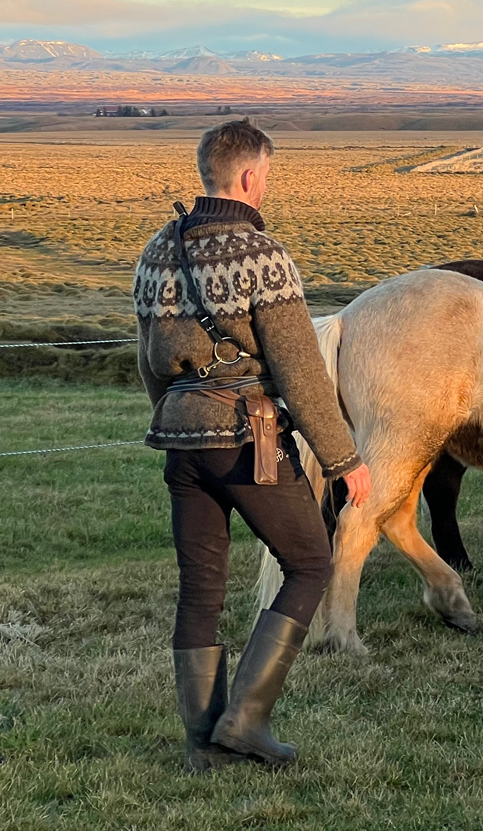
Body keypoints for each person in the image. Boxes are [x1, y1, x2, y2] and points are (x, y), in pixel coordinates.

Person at [132, 118, 371, 772]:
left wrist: (178, 417)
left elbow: (152, 358)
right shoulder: (262, 255)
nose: (266, 184)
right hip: (246, 438)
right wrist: (346, 459)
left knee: (200, 590)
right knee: (310, 561)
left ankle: (201, 743)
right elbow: (299, 372)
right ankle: (246, 718)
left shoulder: (158, 250)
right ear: (248, 176)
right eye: (266, 173)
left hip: (183, 440)